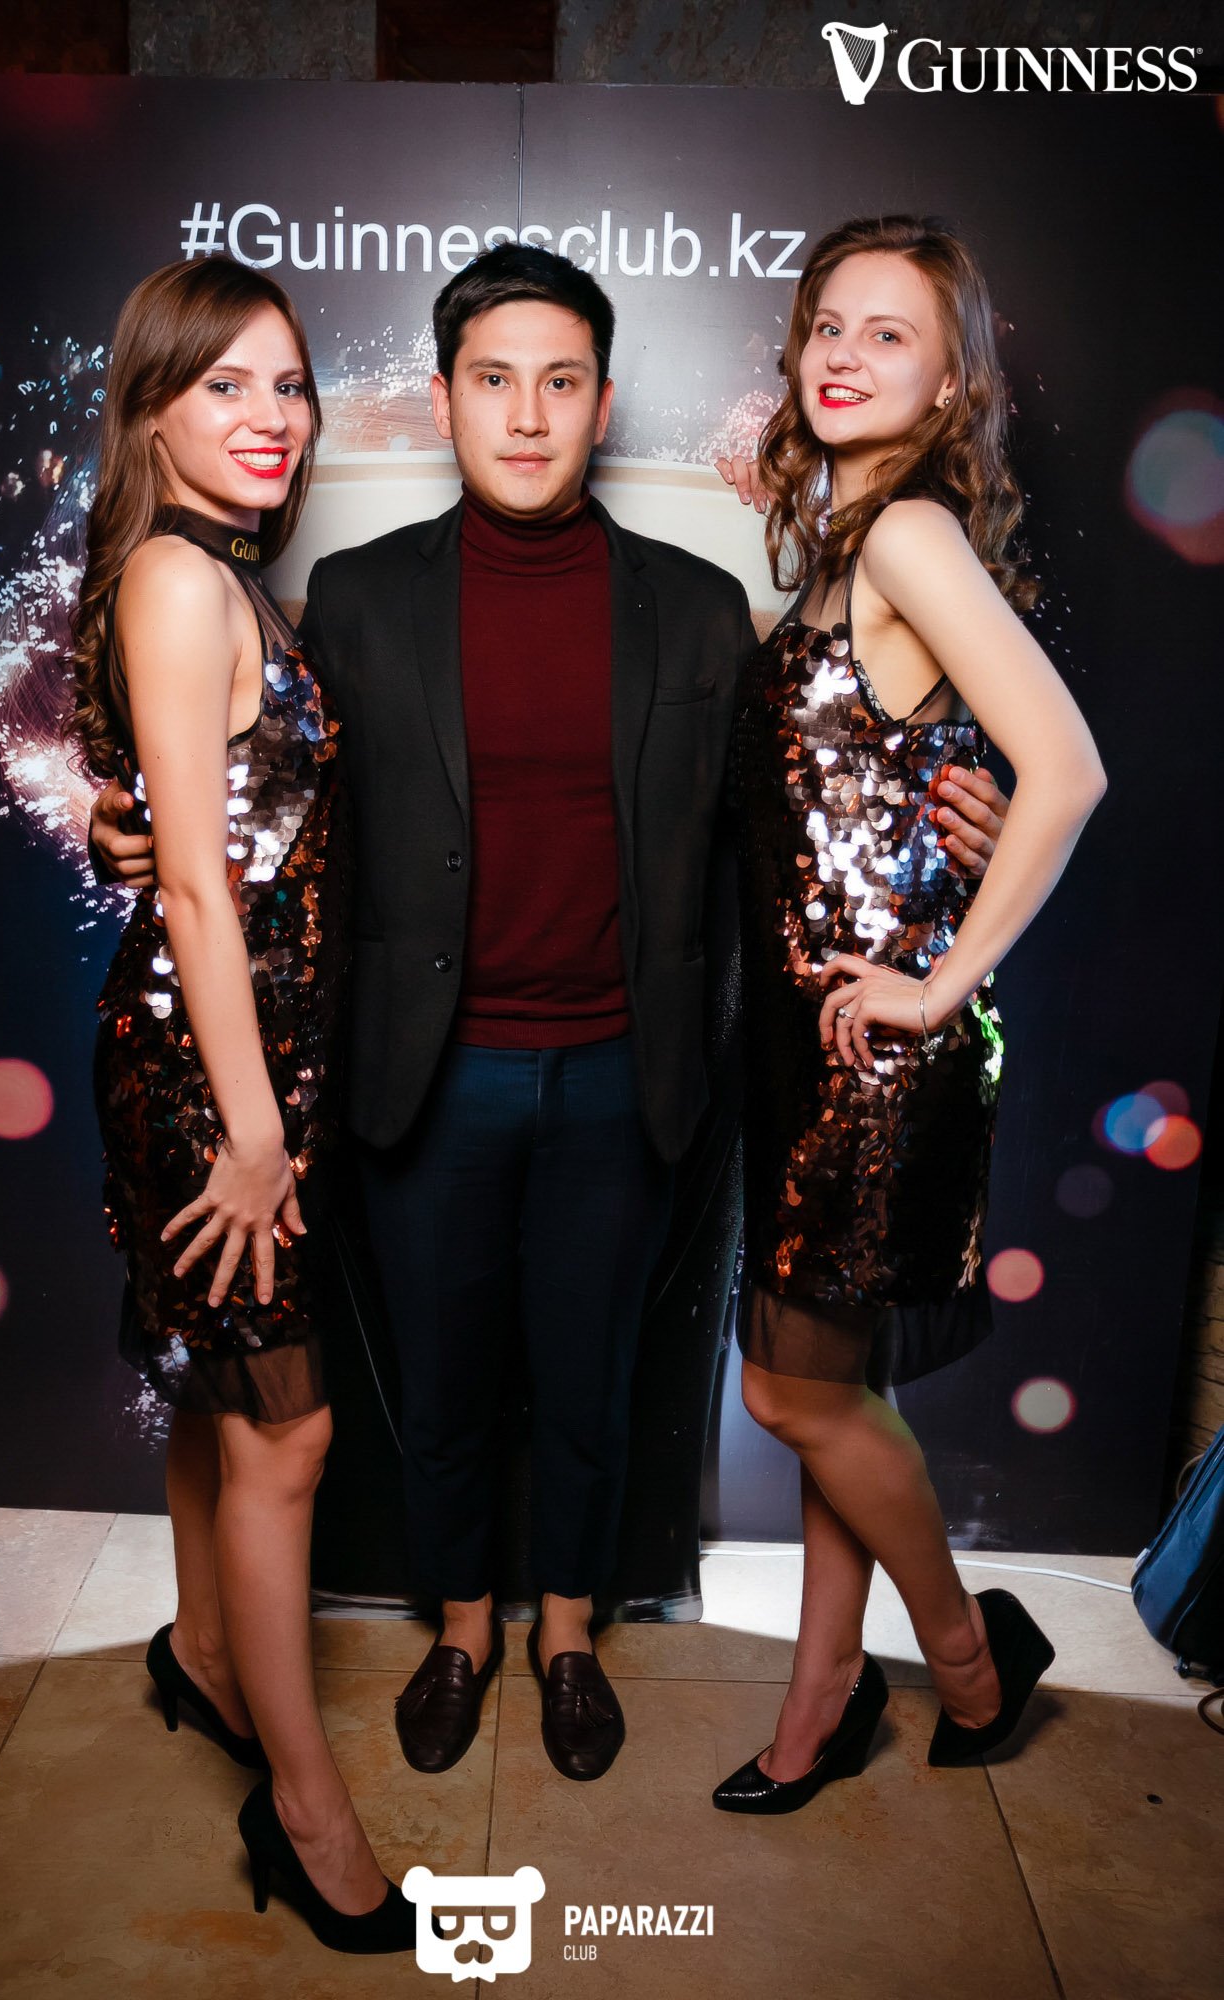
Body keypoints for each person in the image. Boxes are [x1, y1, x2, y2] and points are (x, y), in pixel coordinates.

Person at [91, 244, 1009, 1785]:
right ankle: (461, 1631)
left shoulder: (699, 611)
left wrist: (953, 811)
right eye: (494, 380)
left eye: (561, 382)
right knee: (441, 1389)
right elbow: (253, 793)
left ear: (600, 400)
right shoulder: (352, 599)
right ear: (444, 397)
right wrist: (122, 826)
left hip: (620, 1078)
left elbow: (800, 796)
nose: (526, 415)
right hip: (421, 1080)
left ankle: (567, 1636)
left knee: (589, 1389)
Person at [710, 215, 1106, 1816]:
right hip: (810, 1047)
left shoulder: (908, 536)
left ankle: (963, 1659)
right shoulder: (846, 536)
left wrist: (939, 987)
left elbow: (1064, 771)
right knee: (837, 1390)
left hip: (872, 1055)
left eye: (888, 334)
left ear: (950, 386)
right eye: (827, 324)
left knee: (792, 1391)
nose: (841, 354)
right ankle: (821, 1701)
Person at [68, 256, 412, 1950]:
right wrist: (255, 1125)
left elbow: (189, 827)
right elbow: (201, 888)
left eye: (288, 384)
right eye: (226, 385)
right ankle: (305, 1810)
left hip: (253, 1060)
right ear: (151, 410)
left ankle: (203, 1655)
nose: (272, 417)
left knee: (223, 1396)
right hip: (220, 1078)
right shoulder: (177, 579)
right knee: (290, 1430)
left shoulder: (210, 578)